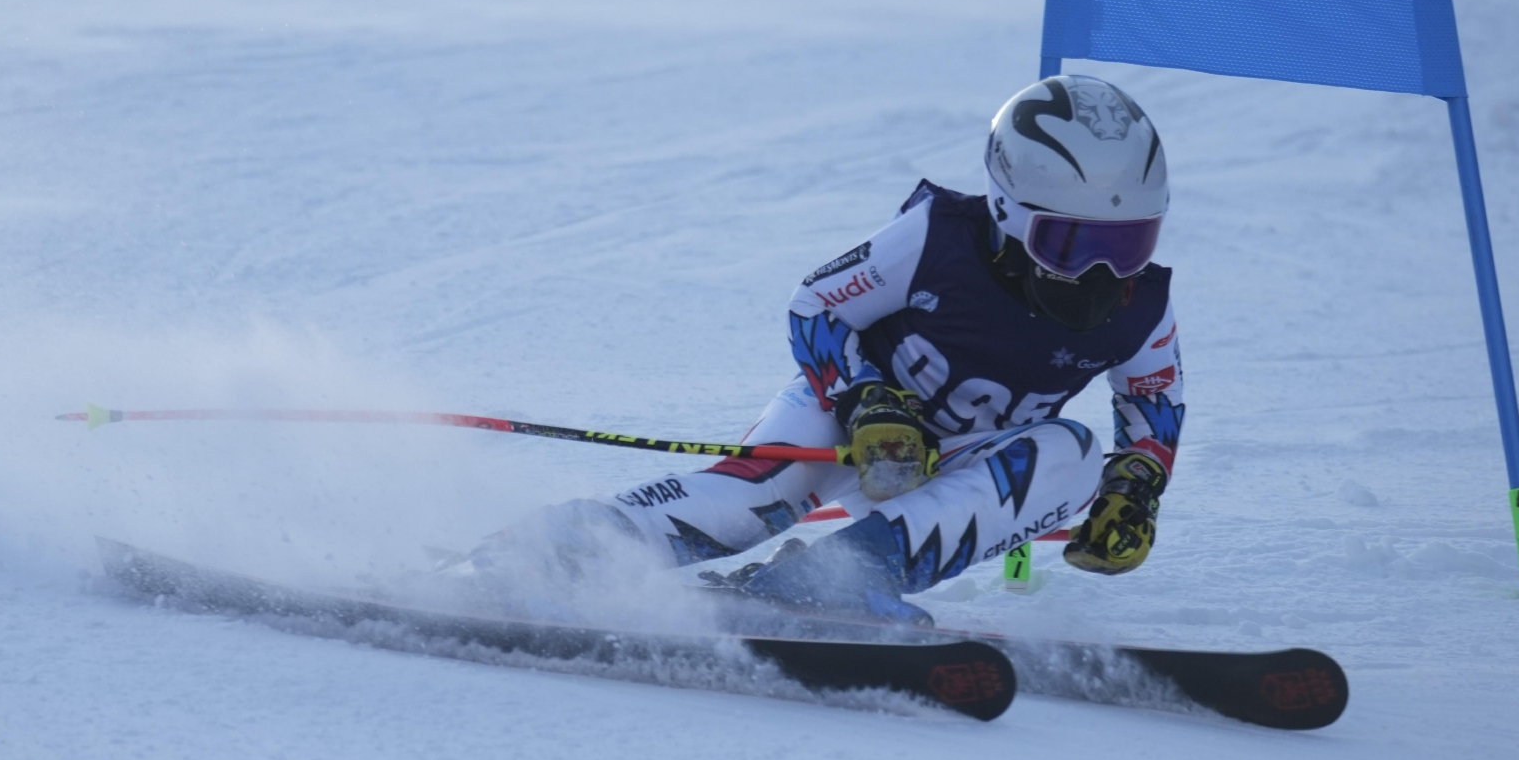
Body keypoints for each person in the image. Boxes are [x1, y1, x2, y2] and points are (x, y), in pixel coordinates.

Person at [463, 74, 1185, 625]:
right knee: (744, 505)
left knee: (1074, 453)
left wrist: (1135, 489)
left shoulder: (1140, 304)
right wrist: (867, 398)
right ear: (1007, 211)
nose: (1102, 275)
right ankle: (553, 548)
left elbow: (1154, 404)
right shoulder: (938, 241)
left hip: (968, 462)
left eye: (1128, 244)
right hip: (848, 424)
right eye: (1071, 242)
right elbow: (817, 302)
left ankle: (839, 579)